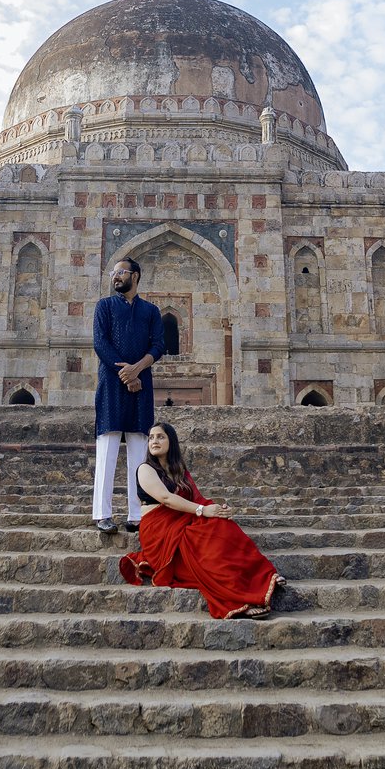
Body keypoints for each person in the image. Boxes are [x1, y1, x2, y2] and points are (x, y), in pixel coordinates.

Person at [119, 422, 286, 619]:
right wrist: (203, 510)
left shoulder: (178, 469)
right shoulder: (145, 469)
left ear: (171, 441)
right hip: (159, 530)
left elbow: (195, 499)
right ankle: (237, 597)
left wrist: (217, 510)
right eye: (151, 437)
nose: (154, 441)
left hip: (181, 518)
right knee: (200, 540)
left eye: (160, 437)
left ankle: (262, 577)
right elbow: (166, 499)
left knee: (222, 525)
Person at [91, 256, 162, 533]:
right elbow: (101, 343)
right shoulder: (105, 307)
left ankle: (137, 514)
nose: (115, 277)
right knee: (107, 448)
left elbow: (158, 345)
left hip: (141, 385)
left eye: (121, 272)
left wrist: (138, 369)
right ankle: (102, 513)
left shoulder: (151, 311)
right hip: (111, 383)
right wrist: (125, 373)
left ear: (136, 276)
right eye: (113, 273)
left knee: (138, 450)